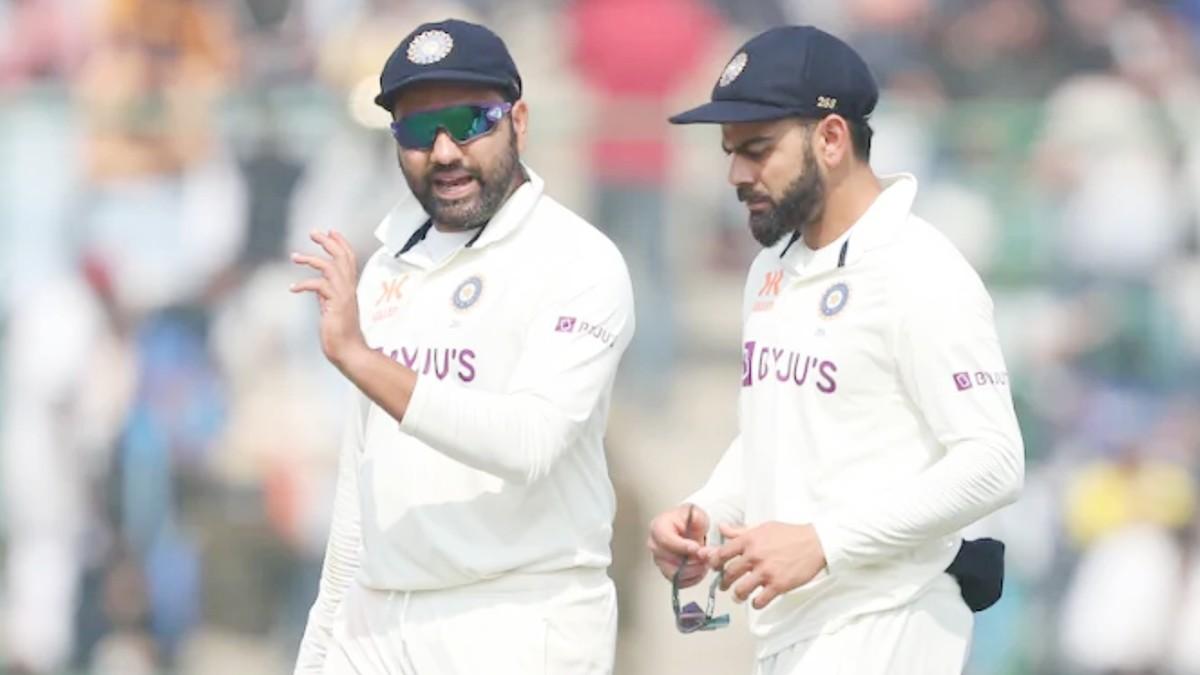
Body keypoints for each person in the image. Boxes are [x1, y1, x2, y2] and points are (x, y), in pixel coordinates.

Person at [646, 25, 1024, 674]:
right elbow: (779, 427)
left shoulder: (919, 270)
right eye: (730, 151)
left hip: (891, 615)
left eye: (757, 149)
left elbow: (994, 461)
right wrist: (707, 510)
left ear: (830, 138)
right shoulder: (772, 267)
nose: (736, 174)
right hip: (796, 628)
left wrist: (825, 542)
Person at [290, 19, 634, 675]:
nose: (445, 151)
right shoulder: (388, 265)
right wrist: (319, 650)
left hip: (519, 615)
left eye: (469, 122)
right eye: (420, 131)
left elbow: (530, 441)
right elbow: (359, 495)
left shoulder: (579, 261)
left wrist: (361, 358)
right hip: (380, 616)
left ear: (519, 122)